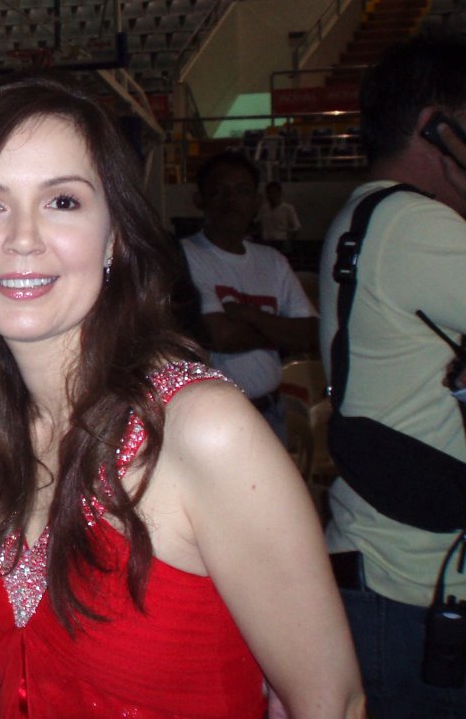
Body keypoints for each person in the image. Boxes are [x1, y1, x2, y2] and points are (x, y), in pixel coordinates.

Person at [0, 73, 365, 719]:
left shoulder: (202, 431)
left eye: (63, 202)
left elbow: (331, 703)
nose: (23, 239)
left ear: (113, 238)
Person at [318, 35, 466, 719]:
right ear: (437, 126)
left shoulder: (368, 212)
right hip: (418, 586)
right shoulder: (419, 226)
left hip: (384, 570)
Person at [181, 151, 318, 441]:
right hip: (209, 423)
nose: (231, 200)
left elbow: (309, 333)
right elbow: (222, 337)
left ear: (256, 202)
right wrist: (281, 331)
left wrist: (252, 316)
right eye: (220, 192)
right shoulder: (184, 256)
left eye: (242, 191)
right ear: (199, 200)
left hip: (271, 413)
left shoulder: (273, 261)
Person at [257, 179, 301, 253]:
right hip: (266, 242)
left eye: (274, 192)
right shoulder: (264, 209)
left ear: (279, 193)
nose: (271, 195)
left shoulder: (287, 208)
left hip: (281, 242)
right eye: (269, 193)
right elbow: (258, 222)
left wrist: (291, 242)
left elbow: (296, 227)